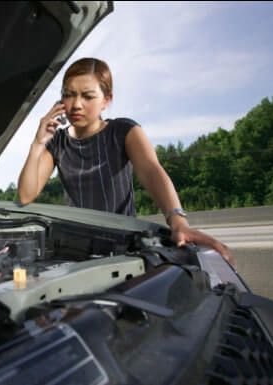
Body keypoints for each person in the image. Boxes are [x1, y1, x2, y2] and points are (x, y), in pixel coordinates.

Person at [17, 57, 234, 266]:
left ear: (106, 100)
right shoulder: (57, 142)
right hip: (73, 249)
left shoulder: (123, 130)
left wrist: (178, 221)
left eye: (88, 96)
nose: (76, 105)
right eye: (69, 95)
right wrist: (38, 143)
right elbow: (26, 195)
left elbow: (151, 171)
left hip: (121, 247)